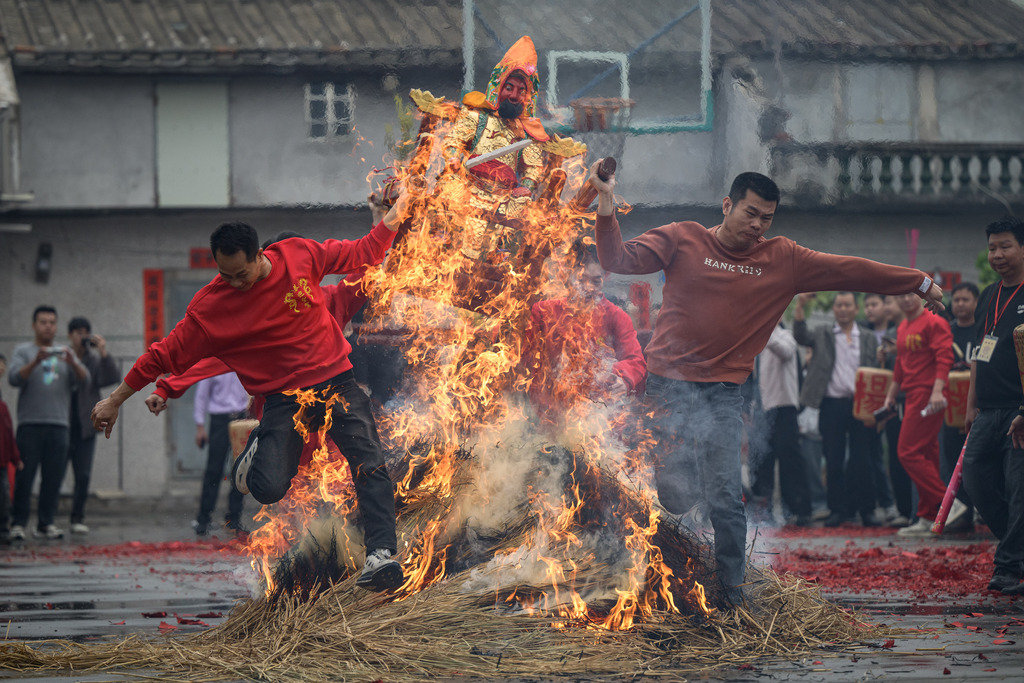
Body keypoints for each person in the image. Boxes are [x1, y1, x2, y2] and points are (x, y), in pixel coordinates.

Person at [590, 167, 944, 604]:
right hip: (668, 390)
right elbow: (616, 260)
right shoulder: (683, 238)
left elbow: (850, 270)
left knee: (725, 497)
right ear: (727, 205)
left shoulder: (783, 259)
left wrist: (918, 281)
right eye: (751, 214)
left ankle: (733, 596)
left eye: (767, 219)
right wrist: (606, 203)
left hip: (721, 395)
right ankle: (655, 563)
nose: (757, 226)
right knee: (673, 496)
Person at [92, 191, 413, 591]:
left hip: (337, 382)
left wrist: (391, 217)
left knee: (370, 464)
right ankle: (258, 446)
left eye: (240, 274)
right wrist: (117, 398)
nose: (234, 284)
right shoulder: (211, 307)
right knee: (269, 487)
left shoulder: (299, 255)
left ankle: (381, 554)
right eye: (225, 275)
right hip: (285, 399)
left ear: (260, 254)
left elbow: (361, 254)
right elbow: (166, 353)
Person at [439, 35, 549, 263]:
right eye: (509, 87)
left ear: (528, 98)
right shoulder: (475, 117)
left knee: (524, 206)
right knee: (449, 186)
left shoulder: (528, 134)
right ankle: (445, 248)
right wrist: (453, 158)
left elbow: (533, 170)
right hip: (469, 184)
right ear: (498, 87)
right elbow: (453, 141)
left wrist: (526, 187)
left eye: (521, 91)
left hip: (503, 197)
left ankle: (499, 259)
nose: (514, 95)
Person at [520, 240, 647, 433]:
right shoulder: (544, 311)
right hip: (549, 413)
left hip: (596, 417)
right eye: (580, 280)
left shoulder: (616, 316)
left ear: (606, 276)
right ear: (566, 277)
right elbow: (526, 359)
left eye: (596, 281)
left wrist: (624, 378)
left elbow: (635, 361)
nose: (589, 288)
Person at [961, 216, 1024, 593]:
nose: (997, 255)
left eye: (1005, 246)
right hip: (987, 410)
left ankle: (1008, 566)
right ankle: (1016, 549)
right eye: (992, 248)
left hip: (1019, 410)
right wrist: (971, 404)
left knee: (1019, 489)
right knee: (975, 480)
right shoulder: (988, 295)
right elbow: (978, 354)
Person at [794, 292, 880, 527]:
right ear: (834, 310)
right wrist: (800, 305)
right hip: (831, 404)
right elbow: (800, 335)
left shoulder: (868, 337)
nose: (843, 309)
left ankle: (866, 510)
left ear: (856, 309)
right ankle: (837, 510)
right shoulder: (823, 333)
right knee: (833, 459)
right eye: (839, 305)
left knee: (862, 460)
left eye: (847, 305)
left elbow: (876, 367)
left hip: (861, 405)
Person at [881, 291, 960, 537]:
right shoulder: (903, 326)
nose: (905, 299)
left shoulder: (935, 322)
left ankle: (948, 503)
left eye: (910, 295)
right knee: (926, 454)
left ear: (922, 297)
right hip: (912, 394)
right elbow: (900, 365)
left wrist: (938, 392)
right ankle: (928, 516)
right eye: (900, 296)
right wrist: (891, 395)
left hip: (928, 394)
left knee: (907, 452)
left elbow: (944, 358)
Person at [8, 306, 90, 540]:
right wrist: (34, 362)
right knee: (26, 476)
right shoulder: (23, 351)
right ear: (34, 325)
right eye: (43, 322)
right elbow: (14, 378)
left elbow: (85, 379)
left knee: (53, 477)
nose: (48, 326)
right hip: (30, 423)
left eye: (52, 322)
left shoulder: (65, 353)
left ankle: (46, 523)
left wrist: (72, 362)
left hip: (59, 423)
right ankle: (19, 523)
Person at [64, 317, 121, 535]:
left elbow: (111, 378)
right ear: (70, 334)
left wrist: (103, 352)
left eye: (85, 332)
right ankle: (46, 520)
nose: (81, 337)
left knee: (83, 475)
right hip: (63, 422)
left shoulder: (94, 360)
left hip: (85, 426)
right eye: (77, 332)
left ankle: (77, 517)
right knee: (56, 473)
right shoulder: (62, 356)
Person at [750, 322, 811, 526]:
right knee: (762, 460)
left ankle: (798, 510)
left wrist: (765, 330)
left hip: (784, 406)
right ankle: (764, 513)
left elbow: (785, 352)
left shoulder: (786, 336)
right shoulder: (756, 339)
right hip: (763, 408)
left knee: (790, 460)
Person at [939, 281, 979, 532]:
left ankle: (980, 510)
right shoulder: (946, 330)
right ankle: (961, 514)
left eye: (966, 300)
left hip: (977, 401)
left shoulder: (983, 329)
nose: (960, 304)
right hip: (951, 403)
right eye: (957, 300)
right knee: (952, 458)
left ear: (976, 302)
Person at [190, 372, 249, 536]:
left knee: (240, 471)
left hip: (242, 418)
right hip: (219, 420)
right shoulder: (213, 361)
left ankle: (234, 519)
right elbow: (202, 395)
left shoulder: (243, 358)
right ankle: (203, 519)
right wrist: (200, 426)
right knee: (214, 470)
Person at [0, 354, 23, 544]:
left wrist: (15, 458)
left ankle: (3, 527)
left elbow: (7, 432)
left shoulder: (2, 406)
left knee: (4, 493)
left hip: (1, 459)